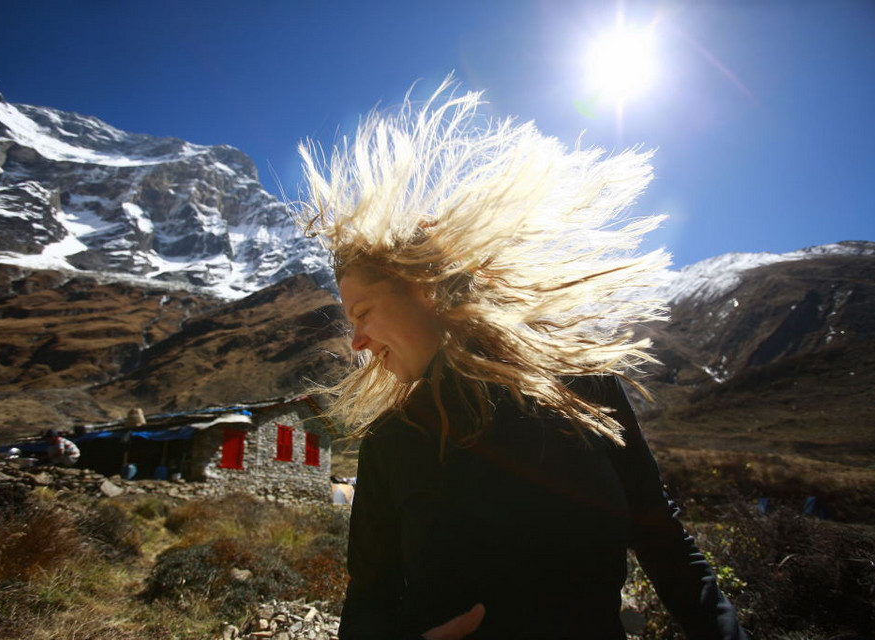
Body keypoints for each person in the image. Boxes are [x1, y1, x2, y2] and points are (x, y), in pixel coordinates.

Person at [294, 80, 747, 639]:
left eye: (362, 312)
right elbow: (369, 596)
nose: (357, 341)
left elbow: (666, 545)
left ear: (425, 287)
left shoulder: (587, 393)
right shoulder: (393, 438)